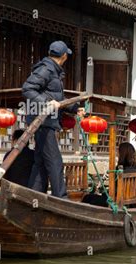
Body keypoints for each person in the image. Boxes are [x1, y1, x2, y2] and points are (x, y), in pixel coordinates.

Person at [22, 40, 85, 198]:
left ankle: (33, 196)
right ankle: (62, 199)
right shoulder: (46, 69)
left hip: (46, 122)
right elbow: (28, 88)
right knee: (55, 162)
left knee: (41, 162)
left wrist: (75, 108)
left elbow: (58, 98)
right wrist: (47, 103)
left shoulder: (53, 71)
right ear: (64, 56)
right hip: (43, 122)